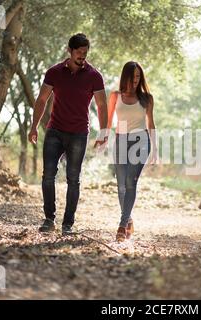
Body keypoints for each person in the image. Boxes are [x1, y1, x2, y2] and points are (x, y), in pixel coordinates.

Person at [28, 33, 108, 235]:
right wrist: (34, 126)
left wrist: (104, 131)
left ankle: (68, 224)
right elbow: (42, 100)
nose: (83, 56)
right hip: (55, 130)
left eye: (85, 52)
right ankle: (49, 219)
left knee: (73, 178)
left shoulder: (94, 76)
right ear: (69, 51)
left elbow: (101, 104)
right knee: (48, 175)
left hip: (79, 133)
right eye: (79, 52)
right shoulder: (54, 72)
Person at [107, 61, 157, 242]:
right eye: (132, 76)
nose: (135, 80)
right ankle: (129, 219)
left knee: (130, 182)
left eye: (138, 76)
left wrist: (155, 149)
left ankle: (121, 225)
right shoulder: (115, 96)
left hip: (141, 141)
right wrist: (104, 137)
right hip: (120, 141)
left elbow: (151, 124)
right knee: (121, 186)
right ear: (125, 76)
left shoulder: (147, 98)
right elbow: (108, 119)